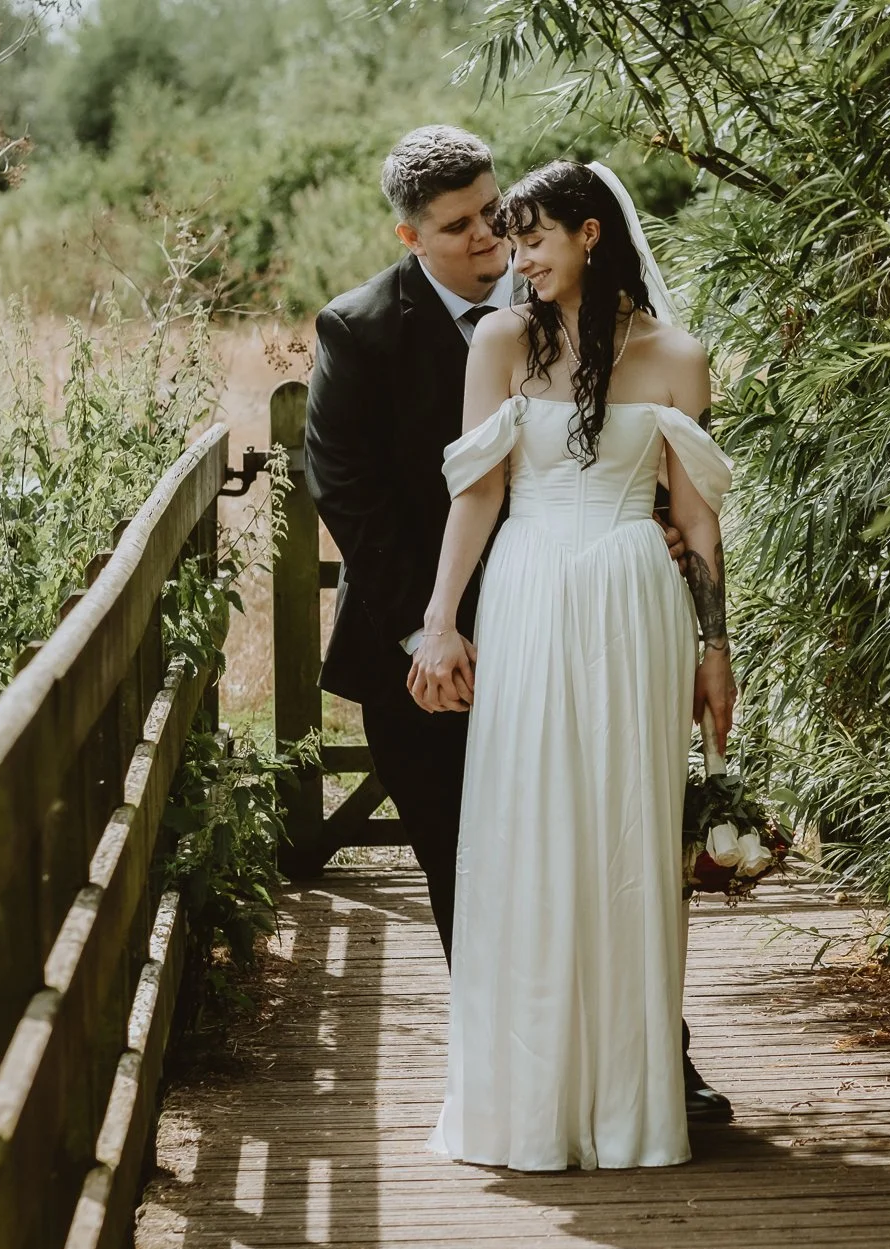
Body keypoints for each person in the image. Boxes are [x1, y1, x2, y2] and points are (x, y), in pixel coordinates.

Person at [303, 129, 732, 1130]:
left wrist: (662, 552)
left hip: (603, 619)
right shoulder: (361, 329)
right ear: (410, 234)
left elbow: (659, 473)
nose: (496, 243)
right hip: (440, 647)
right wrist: (436, 630)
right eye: (464, 229)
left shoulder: (591, 318)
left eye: (500, 217)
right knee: (481, 864)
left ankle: (654, 1062)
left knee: (617, 838)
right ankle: (522, 1080)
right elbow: (356, 497)